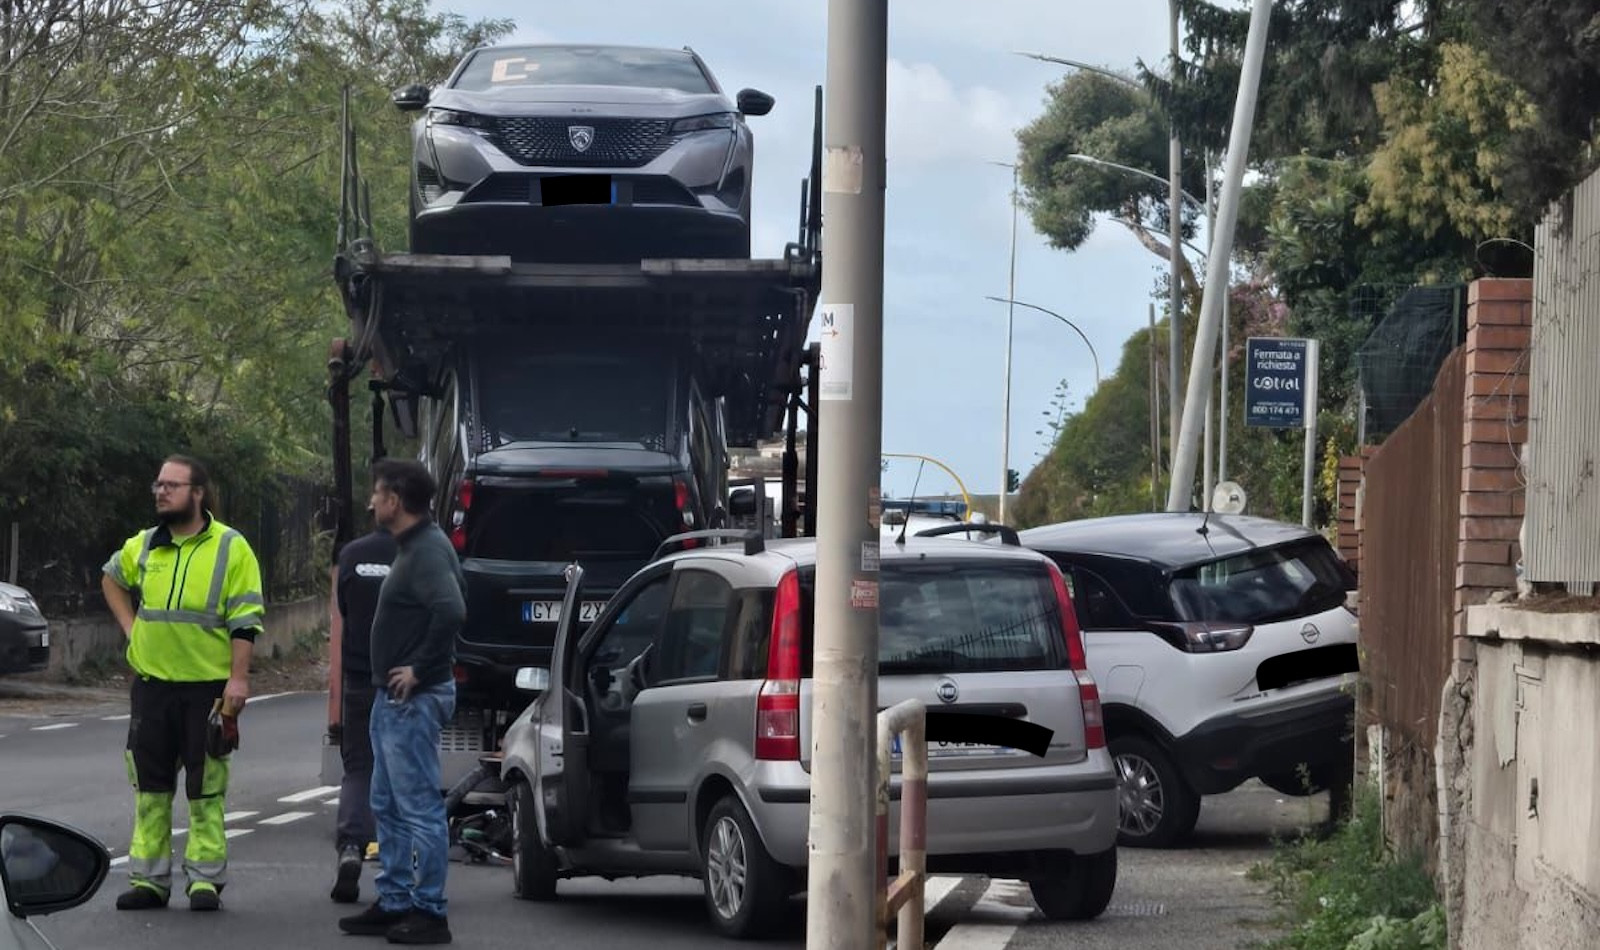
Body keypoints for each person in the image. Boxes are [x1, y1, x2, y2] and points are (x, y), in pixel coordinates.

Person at [100, 454, 264, 912]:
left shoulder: (231, 548)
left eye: (172, 485)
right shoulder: (146, 545)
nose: (161, 491)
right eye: (158, 484)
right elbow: (111, 579)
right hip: (153, 687)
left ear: (198, 493)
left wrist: (238, 678)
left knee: (206, 786)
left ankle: (204, 881)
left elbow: (246, 620)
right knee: (150, 788)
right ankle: (149, 881)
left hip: (207, 689)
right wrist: (132, 629)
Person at [338, 459, 465, 945]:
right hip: (391, 698)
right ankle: (393, 901)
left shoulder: (427, 550)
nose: (371, 502)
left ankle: (430, 912)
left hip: (413, 698)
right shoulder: (417, 547)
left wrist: (420, 667)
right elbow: (458, 593)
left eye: (376, 494)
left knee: (417, 806)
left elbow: (453, 608)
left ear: (395, 500)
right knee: (386, 802)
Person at [327, 517, 397, 904]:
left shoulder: (352, 554)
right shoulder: (421, 555)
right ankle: (401, 871)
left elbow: (344, 612)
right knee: (406, 775)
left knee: (359, 768)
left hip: (360, 677)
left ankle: (351, 846)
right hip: (408, 682)